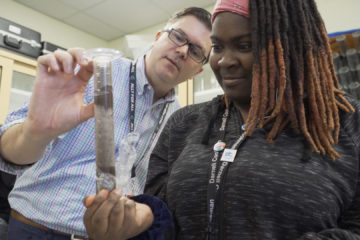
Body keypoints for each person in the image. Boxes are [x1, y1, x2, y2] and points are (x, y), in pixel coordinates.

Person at [83, 0, 360, 239]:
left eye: (245, 45)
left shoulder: (346, 124)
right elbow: (162, 215)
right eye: (217, 47)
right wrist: (137, 222)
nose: (225, 61)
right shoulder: (184, 124)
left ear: (289, 47)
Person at [0, 7, 212, 239]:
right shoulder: (94, 72)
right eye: (178, 36)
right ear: (158, 37)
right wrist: (34, 133)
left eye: (195, 51)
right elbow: (8, 150)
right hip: (36, 229)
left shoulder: (179, 120)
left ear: (198, 71)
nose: (182, 50)